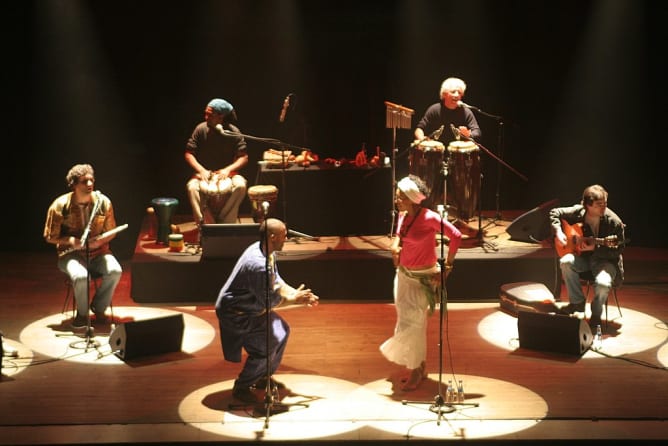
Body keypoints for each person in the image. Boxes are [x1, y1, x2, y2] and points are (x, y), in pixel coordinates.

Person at [215, 218, 319, 403]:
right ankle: (242, 386)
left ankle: (262, 376)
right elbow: (269, 301)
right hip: (237, 313)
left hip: (253, 308)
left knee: (282, 331)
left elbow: (277, 281)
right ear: (272, 237)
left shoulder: (266, 251)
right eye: (283, 235)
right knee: (265, 348)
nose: (286, 238)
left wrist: (296, 293)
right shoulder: (257, 265)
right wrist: (297, 300)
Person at [380, 175, 462, 391]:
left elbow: (456, 235)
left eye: (400, 197)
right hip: (404, 276)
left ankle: (416, 370)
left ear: (411, 198)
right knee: (406, 322)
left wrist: (448, 266)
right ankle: (420, 365)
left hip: (424, 278)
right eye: (397, 196)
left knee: (415, 326)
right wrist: (394, 247)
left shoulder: (429, 218)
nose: (397, 200)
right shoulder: (403, 215)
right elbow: (399, 235)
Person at [43, 164, 123, 329]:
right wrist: (71, 241)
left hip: (99, 253)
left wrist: (99, 241)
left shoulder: (104, 202)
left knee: (115, 271)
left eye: (91, 180)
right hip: (71, 255)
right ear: (73, 184)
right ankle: (82, 314)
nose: (89, 184)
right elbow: (49, 236)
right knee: (80, 277)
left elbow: (112, 231)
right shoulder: (60, 205)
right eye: (83, 181)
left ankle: (99, 307)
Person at [549, 185, 625, 328]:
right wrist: (558, 232)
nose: (603, 208)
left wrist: (596, 247)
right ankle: (577, 304)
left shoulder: (613, 221)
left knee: (603, 283)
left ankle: (596, 313)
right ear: (587, 205)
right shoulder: (579, 212)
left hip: (605, 262)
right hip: (584, 258)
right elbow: (555, 212)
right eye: (598, 205)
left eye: (605, 204)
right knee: (565, 261)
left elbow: (619, 248)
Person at [185, 98, 249, 225]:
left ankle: (225, 223)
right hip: (203, 174)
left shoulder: (233, 132)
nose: (206, 117)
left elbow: (244, 157)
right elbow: (189, 154)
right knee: (191, 187)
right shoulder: (200, 129)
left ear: (221, 117)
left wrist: (228, 169)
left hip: (228, 174)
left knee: (241, 186)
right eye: (206, 113)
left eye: (209, 114)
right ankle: (207, 225)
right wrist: (201, 170)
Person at [414, 77, 482, 146]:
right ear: (444, 94)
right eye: (453, 92)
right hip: (436, 152)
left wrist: (469, 134)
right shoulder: (434, 109)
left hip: (458, 154)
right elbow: (419, 129)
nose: (457, 95)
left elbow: (477, 132)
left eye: (459, 92)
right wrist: (421, 139)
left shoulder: (466, 112)